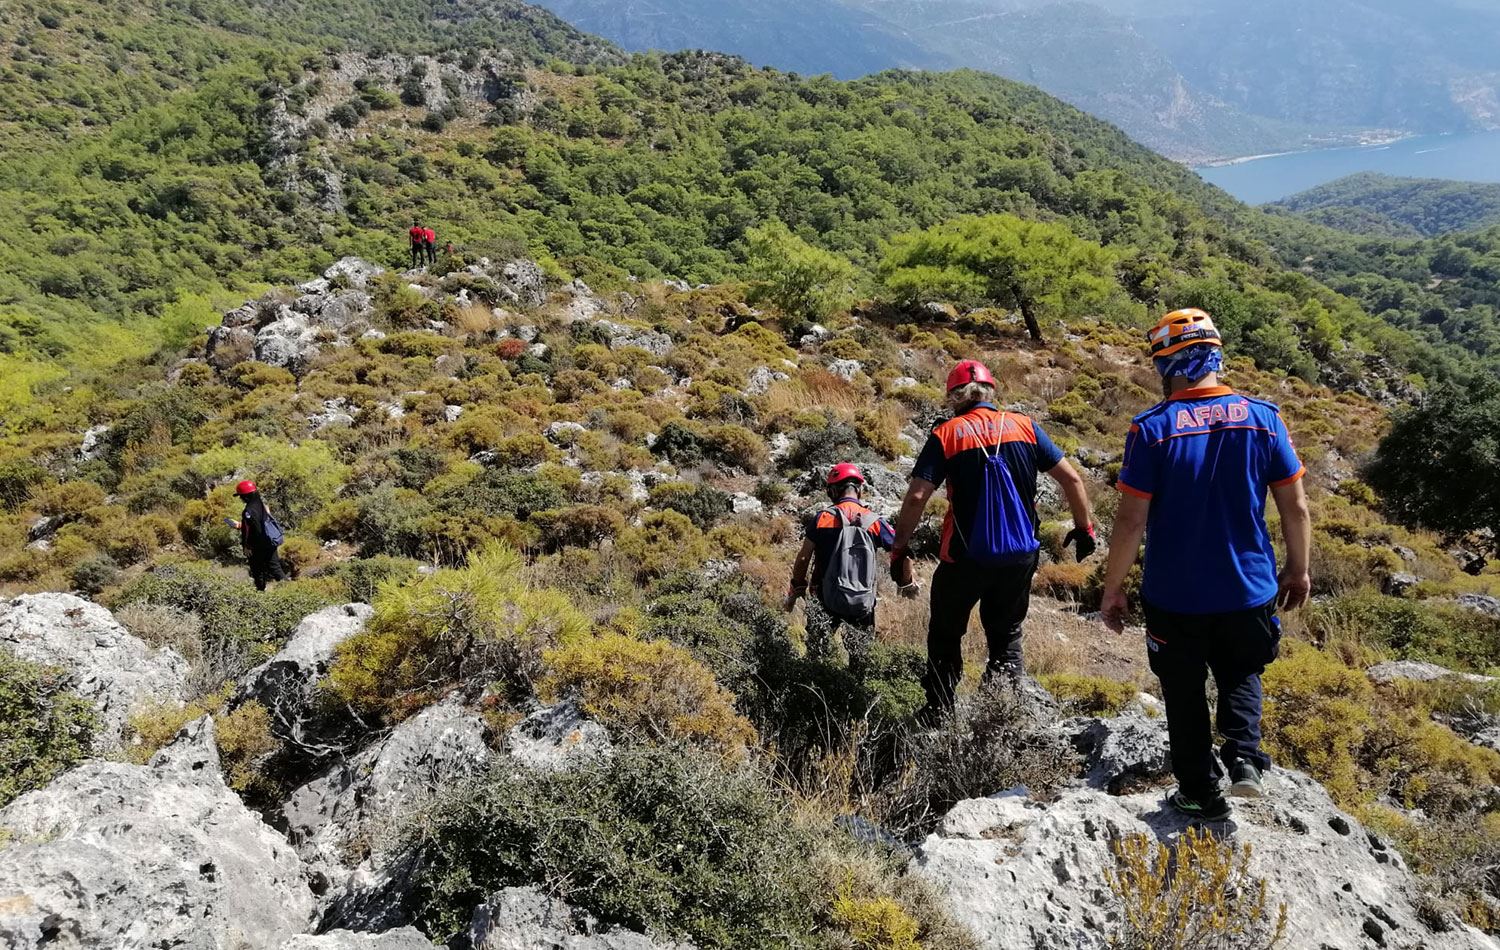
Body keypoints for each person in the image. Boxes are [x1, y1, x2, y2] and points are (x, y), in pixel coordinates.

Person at [1100, 308, 1312, 822]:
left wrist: (1112, 588)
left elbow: (1130, 524)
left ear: (1166, 363)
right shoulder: (1263, 418)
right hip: (1249, 587)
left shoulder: (1151, 429)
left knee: (1184, 690)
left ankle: (1200, 793)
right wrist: (1298, 570)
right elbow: (1296, 507)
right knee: (1242, 670)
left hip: (1176, 594)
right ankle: (1244, 759)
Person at [891, 360, 1097, 721]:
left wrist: (899, 546)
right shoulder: (1025, 426)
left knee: (945, 633)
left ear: (954, 396)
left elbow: (916, 497)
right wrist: (1085, 529)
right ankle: (1004, 714)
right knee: (1006, 633)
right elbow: (1073, 481)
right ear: (991, 391)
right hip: (1019, 555)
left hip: (964, 558)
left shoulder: (947, 435)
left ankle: (939, 710)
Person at [785, 463, 900, 670]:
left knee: (817, 654)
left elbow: (803, 559)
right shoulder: (874, 521)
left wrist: (797, 586)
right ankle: (855, 694)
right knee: (860, 656)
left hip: (824, 598)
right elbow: (901, 549)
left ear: (833, 491)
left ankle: (817, 690)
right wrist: (906, 581)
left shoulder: (823, 518)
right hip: (862, 601)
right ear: (860, 489)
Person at [230, 480, 287, 592]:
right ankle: (291, 590)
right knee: (276, 568)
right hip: (270, 541)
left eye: (241, 496)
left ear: (246, 496)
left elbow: (255, 530)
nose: (241, 499)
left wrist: (247, 546)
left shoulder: (249, 511)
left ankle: (260, 594)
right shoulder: (260, 504)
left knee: (257, 571)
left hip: (258, 546)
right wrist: (241, 525)